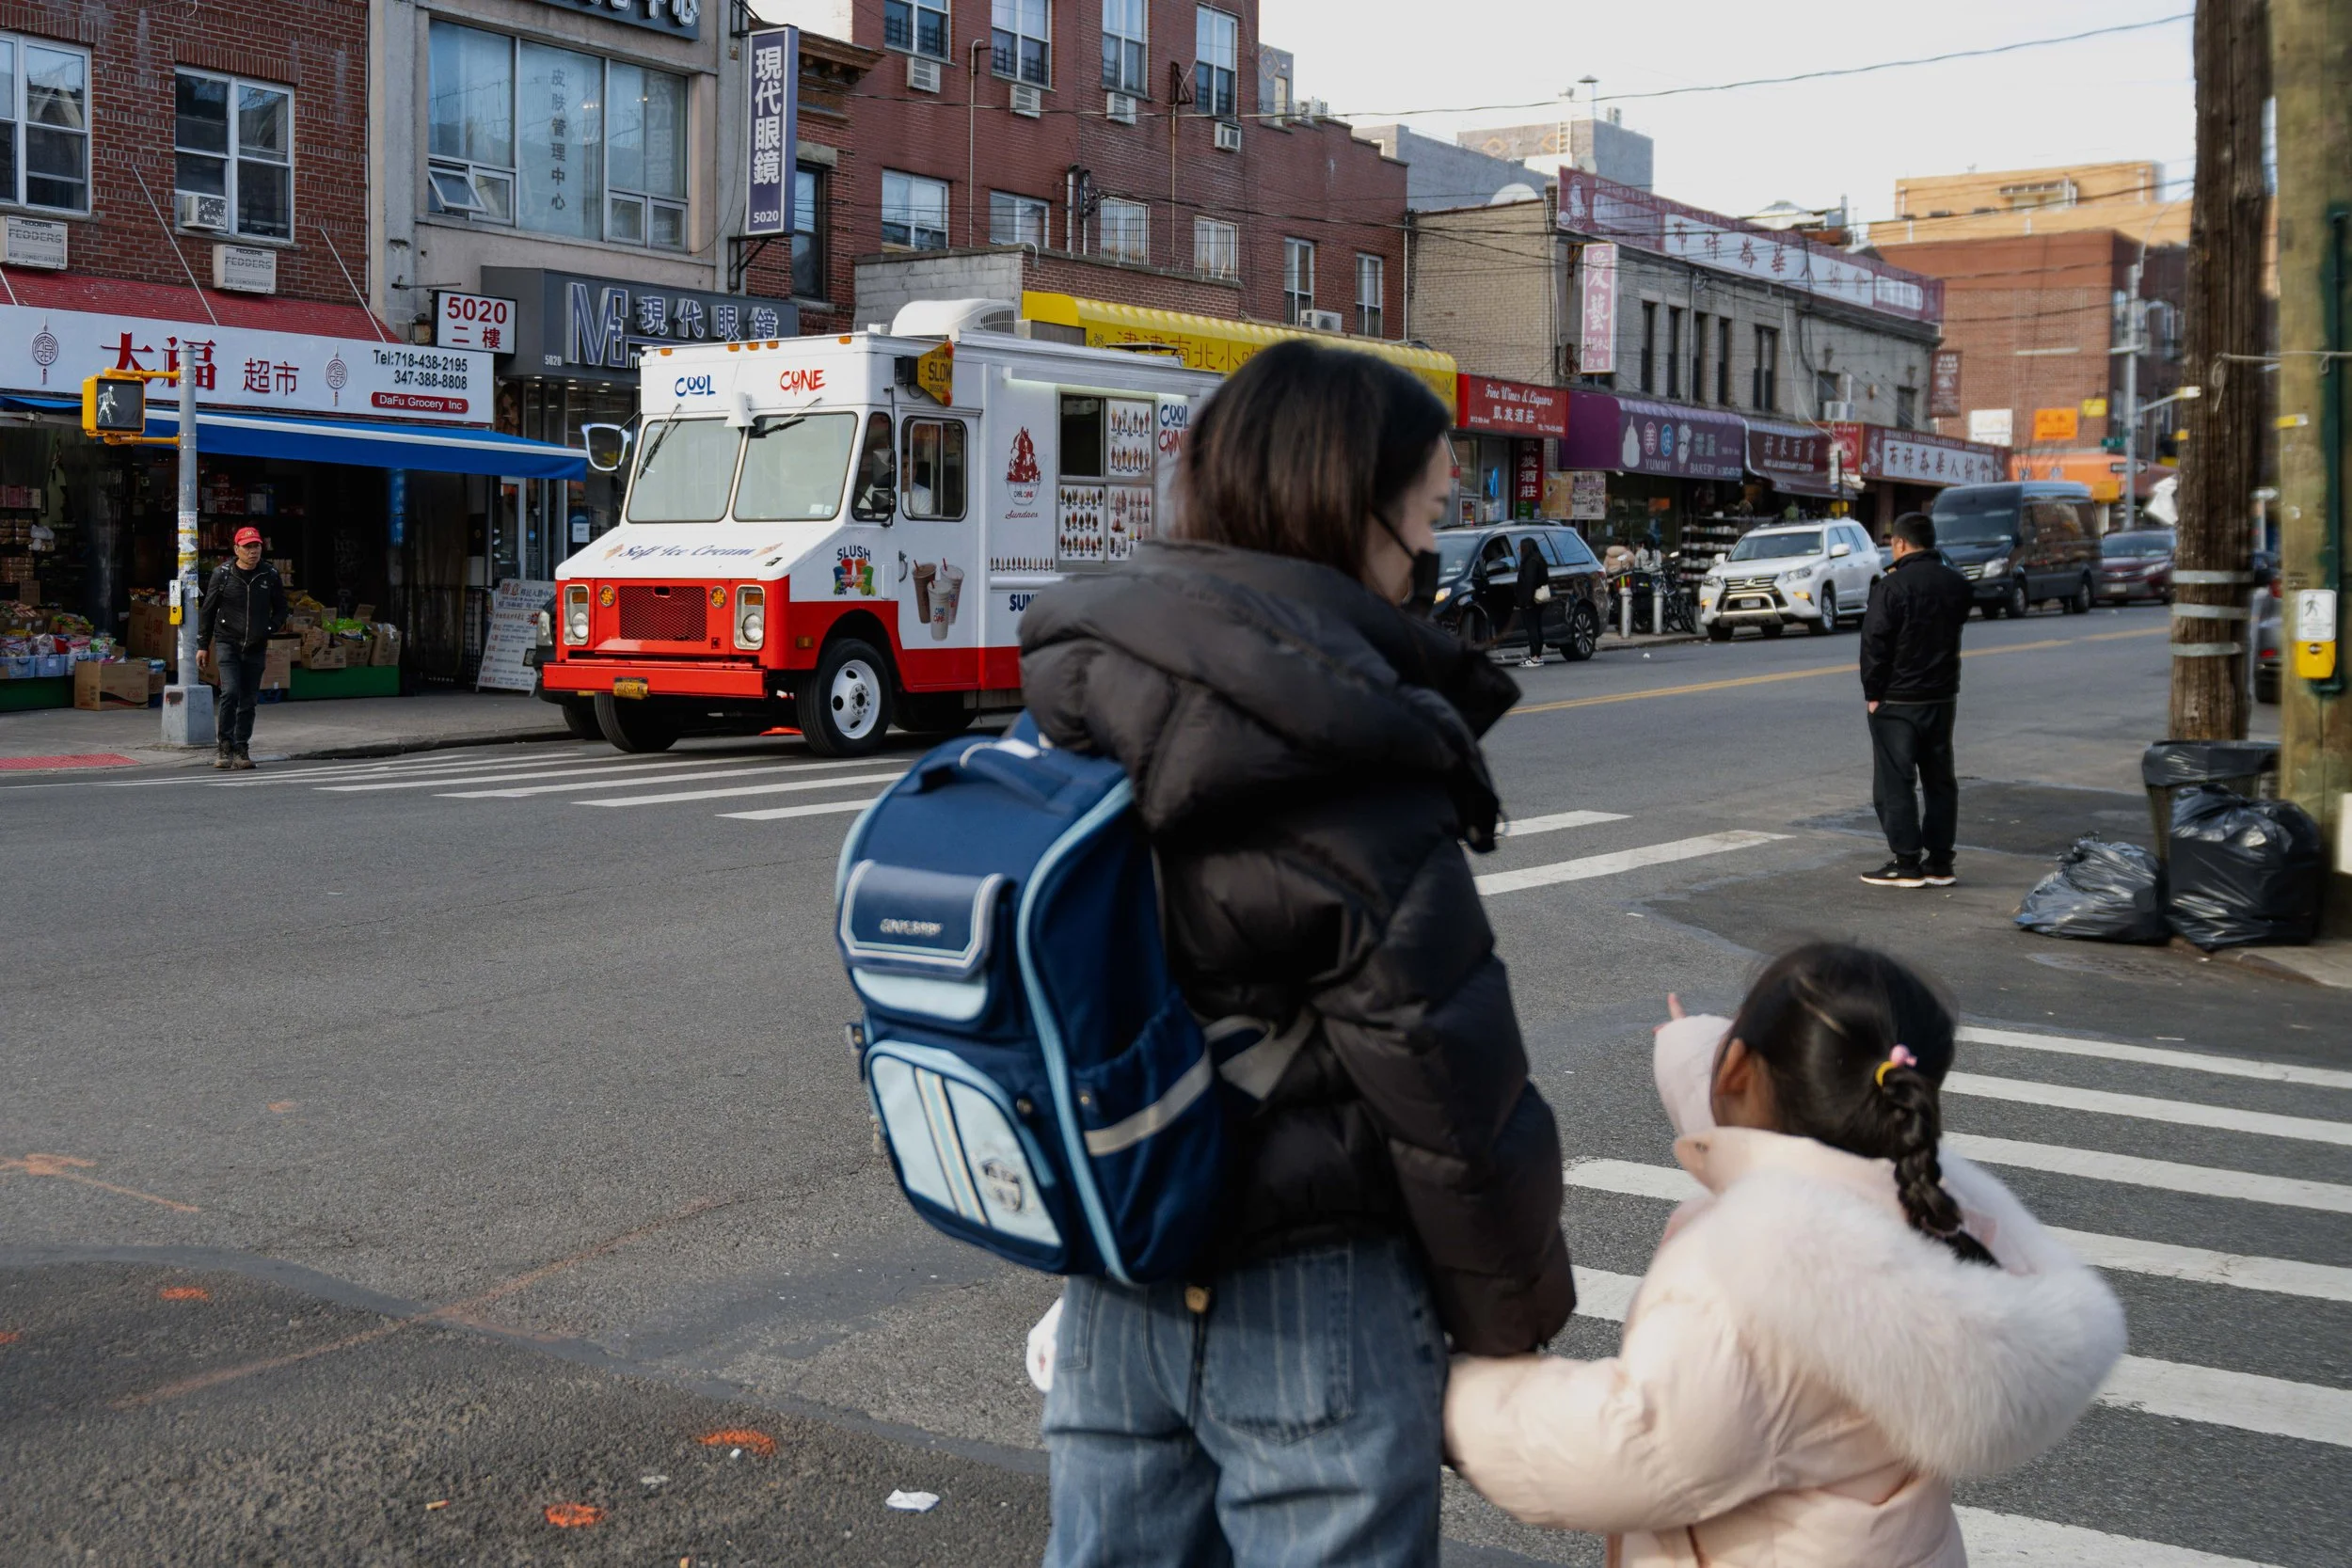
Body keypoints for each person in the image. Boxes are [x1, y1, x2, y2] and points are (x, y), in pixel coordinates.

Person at [1019, 339, 1575, 1568]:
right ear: (1350, 505)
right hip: (1312, 1289)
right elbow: (1440, 1074)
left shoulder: (1092, 681)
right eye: (1429, 508)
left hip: (1118, 1271)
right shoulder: (1340, 740)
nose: (1433, 549)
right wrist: (1509, 1328)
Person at [1444, 942, 2124, 1568]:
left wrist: (1454, 1397)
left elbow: (1629, 1450)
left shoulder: (1752, 1281)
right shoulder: (1938, 1212)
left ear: (1738, 1069)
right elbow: (1777, 1129)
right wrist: (1693, 1049)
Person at [1857, 513, 1972, 887]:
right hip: (1941, 696)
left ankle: (1906, 862)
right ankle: (1940, 862)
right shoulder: (1956, 584)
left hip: (1898, 698)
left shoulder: (1891, 587)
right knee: (1940, 780)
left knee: (1895, 781)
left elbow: (1875, 644)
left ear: (1901, 544)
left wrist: (1873, 694)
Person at [196, 526, 287, 770]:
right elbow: (208, 611)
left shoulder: (269, 574)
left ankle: (241, 747)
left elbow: (281, 609)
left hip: (256, 645)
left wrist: (269, 629)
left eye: (256, 546)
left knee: (248, 700)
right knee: (231, 692)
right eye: (247, 547)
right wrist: (202, 645)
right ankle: (224, 745)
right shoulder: (222, 574)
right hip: (228, 642)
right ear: (236, 550)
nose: (253, 551)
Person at [1512, 535, 1551, 668]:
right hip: (1538, 599)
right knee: (1537, 627)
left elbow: (1529, 582)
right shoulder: (1539, 559)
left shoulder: (1531, 562)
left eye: (1520, 547)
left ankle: (1535, 657)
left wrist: (1525, 601)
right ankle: (1536, 656)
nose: (1518, 549)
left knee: (1532, 628)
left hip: (1531, 600)